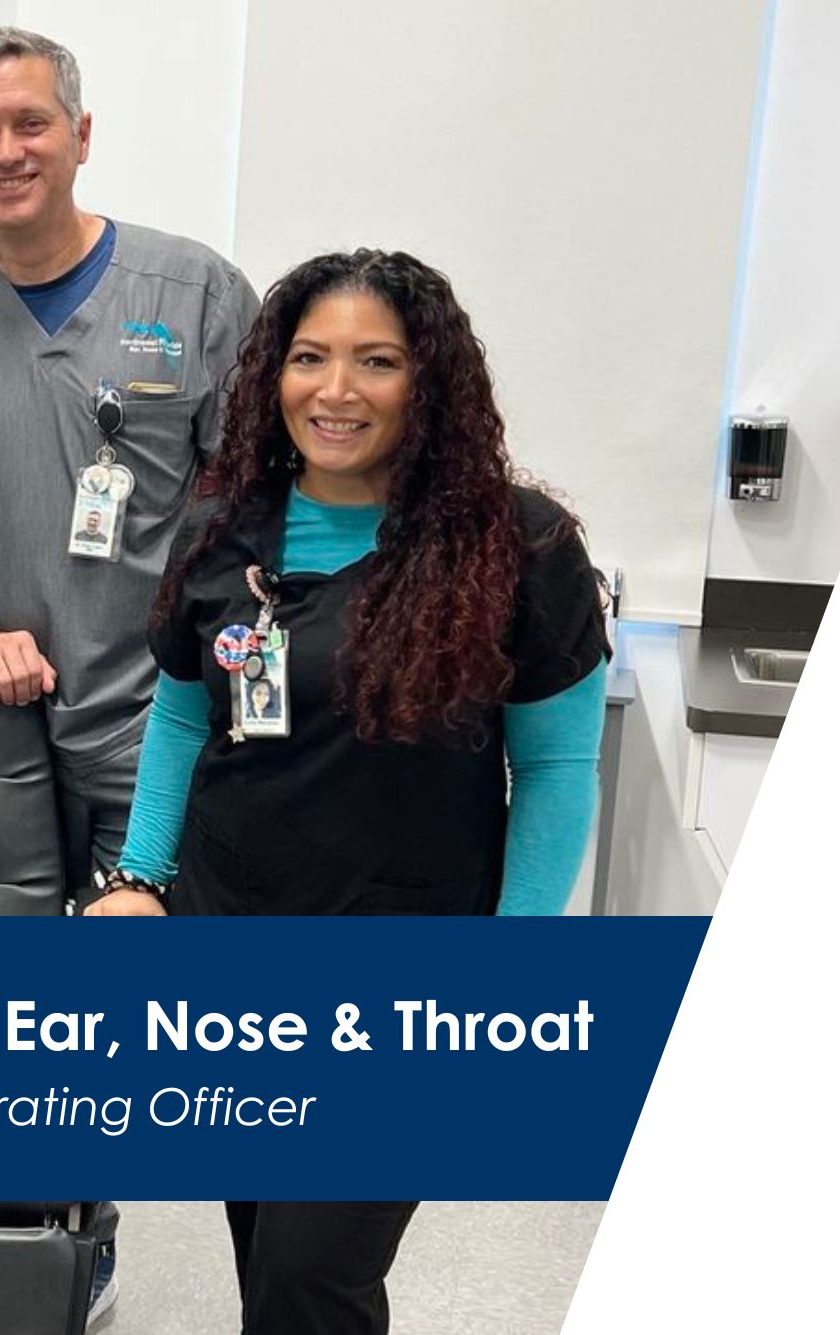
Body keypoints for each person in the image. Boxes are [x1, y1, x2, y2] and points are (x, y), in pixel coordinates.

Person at [91, 249, 610, 1334]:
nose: (334, 390)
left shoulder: (515, 545)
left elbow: (556, 765)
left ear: (427, 383)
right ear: (268, 375)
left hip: (406, 963)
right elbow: (186, 719)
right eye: (308, 358)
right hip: (229, 940)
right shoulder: (218, 534)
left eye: (374, 361)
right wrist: (138, 878)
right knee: (266, 1248)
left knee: (312, 1271)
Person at [0, 25, 259, 900]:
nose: (6, 152)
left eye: (31, 123)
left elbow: (264, 527)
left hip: (168, 740)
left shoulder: (197, 297)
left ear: (81, 137)